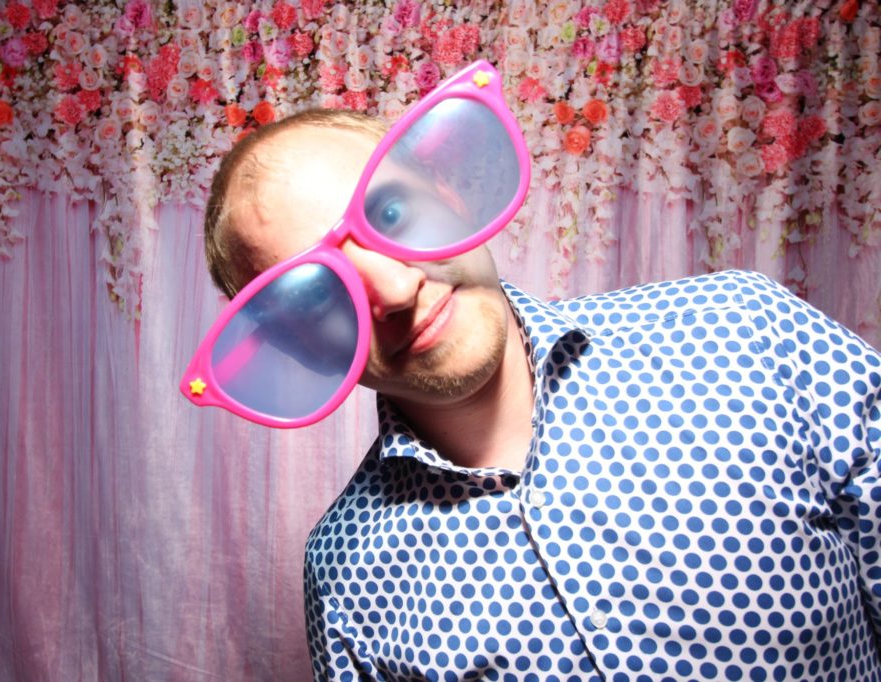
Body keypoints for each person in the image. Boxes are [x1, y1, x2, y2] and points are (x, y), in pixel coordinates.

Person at [199, 102, 881, 680]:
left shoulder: (746, 331)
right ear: (302, 349)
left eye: (393, 211)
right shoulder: (345, 576)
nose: (398, 290)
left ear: (448, 191)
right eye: (315, 295)